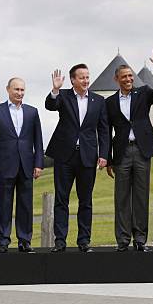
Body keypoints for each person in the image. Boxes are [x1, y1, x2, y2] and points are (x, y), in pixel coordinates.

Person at [105, 47, 153, 252]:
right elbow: (106, 132)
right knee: (121, 197)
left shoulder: (143, 94)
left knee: (141, 196)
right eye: (124, 76)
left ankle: (140, 240)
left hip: (142, 151)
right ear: (117, 79)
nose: (129, 79)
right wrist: (108, 158)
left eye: (131, 75)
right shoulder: (109, 103)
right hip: (122, 153)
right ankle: (123, 240)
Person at [45, 64, 109, 253]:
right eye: (81, 77)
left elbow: (103, 129)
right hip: (64, 155)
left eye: (87, 77)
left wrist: (104, 154)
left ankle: (84, 241)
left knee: (86, 200)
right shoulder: (63, 96)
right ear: (73, 80)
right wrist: (55, 90)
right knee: (61, 199)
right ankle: (60, 241)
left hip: (88, 156)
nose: (86, 80)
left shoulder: (98, 101)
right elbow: (50, 105)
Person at [0, 77, 44, 254]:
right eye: (16, 89)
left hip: (27, 165)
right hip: (4, 165)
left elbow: (38, 141)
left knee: (26, 204)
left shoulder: (32, 112)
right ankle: (3, 241)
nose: (20, 93)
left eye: (22, 90)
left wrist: (39, 164)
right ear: (8, 90)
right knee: (3, 204)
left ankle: (24, 240)